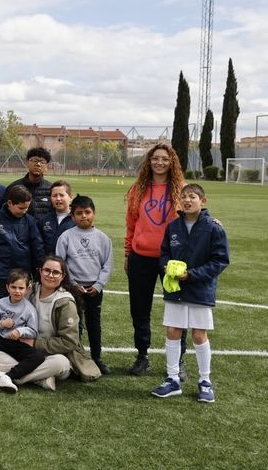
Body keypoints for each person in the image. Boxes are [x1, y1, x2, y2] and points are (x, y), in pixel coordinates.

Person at [151, 184, 229, 402]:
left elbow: (220, 260)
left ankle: (205, 381)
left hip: (200, 289)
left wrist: (192, 275)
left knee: (198, 335)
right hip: (175, 289)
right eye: (183, 197)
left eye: (192, 197)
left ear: (203, 201)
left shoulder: (213, 228)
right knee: (173, 331)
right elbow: (164, 252)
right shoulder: (173, 226)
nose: (187, 200)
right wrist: (165, 266)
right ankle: (173, 379)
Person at [0, 255, 100, 390]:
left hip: (50, 355)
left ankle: (4, 376)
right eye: (47, 270)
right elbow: (8, 304)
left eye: (56, 272)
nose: (50, 275)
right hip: (22, 350)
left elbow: (69, 342)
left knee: (61, 363)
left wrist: (35, 343)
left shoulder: (65, 303)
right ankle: (40, 378)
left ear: (63, 276)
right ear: (40, 271)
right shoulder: (30, 290)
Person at [125, 143, 187, 377]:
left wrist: (213, 221)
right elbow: (131, 224)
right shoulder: (138, 189)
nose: (159, 163)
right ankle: (142, 356)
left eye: (165, 159)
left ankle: (178, 360)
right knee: (139, 309)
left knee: (178, 309)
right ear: (149, 161)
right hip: (141, 257)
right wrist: (128, 253)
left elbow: (196, 214)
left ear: (172, 163)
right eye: (155, 158)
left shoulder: (180, 188)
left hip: (173, 259)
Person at [55, 194, 113, 375]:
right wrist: (73, 284)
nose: (84, 216)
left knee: (94, 324)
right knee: (74, 325)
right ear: (72, 216)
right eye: (79, 213)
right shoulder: (66, 236)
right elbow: (61, 263)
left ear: (94, 213)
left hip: (94, 288)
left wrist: (98, 285)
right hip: (73, 289)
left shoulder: (103, 238)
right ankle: (76, 359)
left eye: (88, 212)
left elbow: (107, 264)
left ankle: (97, 358)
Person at [0, 185, 44, 318]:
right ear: (10, 203)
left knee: (20, 307)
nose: (24, 211)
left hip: (22, 274)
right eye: (21, 208)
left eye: (27, 207)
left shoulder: (30, 221)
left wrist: (39, 267)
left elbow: (37, 245)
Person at [5, 147, 52, 219]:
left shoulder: (51, 189)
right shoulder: (13, 187)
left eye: (42, 162)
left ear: (46, 167)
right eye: (35, 161)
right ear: (27, 163)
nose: (38, 164)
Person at [37, 180, 75, 256]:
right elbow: (38, 246)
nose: (58, 198)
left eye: (61, 195)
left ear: (70, 197)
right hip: (49, 265)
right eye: (54, 196)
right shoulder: (43, 220)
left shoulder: (77, 220)